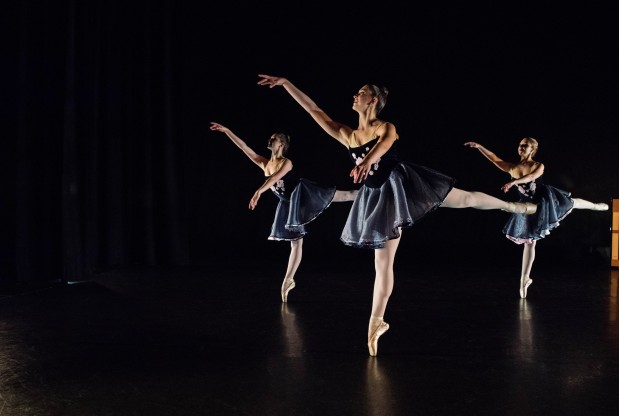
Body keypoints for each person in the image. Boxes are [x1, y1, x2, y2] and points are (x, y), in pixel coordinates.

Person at [257, 74, 537, 357]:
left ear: (373, 100)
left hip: (404, 185)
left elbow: (387, 141)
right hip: (380, 199)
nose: (355, 96)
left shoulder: (384, 126)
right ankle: (376, 321)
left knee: (465, 199)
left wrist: (367, 160)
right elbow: (313, 109)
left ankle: (511, 206)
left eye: (361, 92)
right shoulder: (348, 135)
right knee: (382, 262)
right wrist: (287, 84)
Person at [209, 122, 357, 302]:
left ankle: (373, 191)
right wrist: (227, 131)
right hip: (288, 203)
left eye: (275, 138)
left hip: (303, 194)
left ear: (281, 145)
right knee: (296, 243)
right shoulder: (264, 163)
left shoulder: (286, 162)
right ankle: (288, 279)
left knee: (346, 195)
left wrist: (259, 191)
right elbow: (244, 148)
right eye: (271, 137)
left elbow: (275, 177)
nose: (271, 139)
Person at [464, 138, 609, 299]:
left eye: (525, 145)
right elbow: (495, 158)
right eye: (520, 145)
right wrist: (480, 147)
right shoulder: (512, 167)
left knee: (572, 203)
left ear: (532, 149)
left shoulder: (538, 165)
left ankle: (596, 206)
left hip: (545, 202)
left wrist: (513, 183)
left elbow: (531, 177)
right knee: (530, 242)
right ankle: (524, 279)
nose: (521, 147)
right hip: (528, 205)